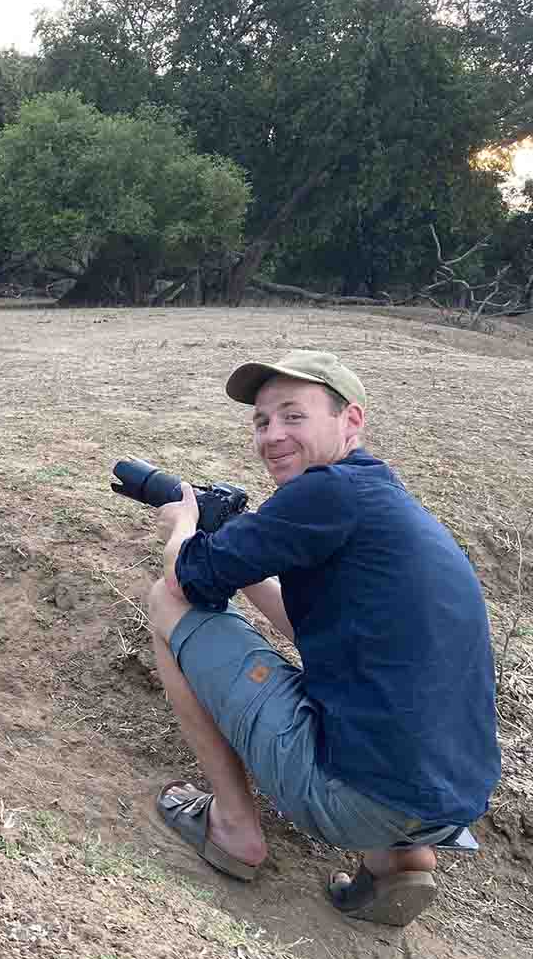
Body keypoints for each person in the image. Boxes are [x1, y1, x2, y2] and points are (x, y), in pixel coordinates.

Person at [145, 349, 501, 927]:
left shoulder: (325, 494)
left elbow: (185, 576)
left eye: (293, 416)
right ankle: (401, 860)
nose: (272, 436)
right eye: (261, 422)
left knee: (166, 603)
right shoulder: (378, 499)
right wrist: (242, 549)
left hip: (356, 797)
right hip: (450, 799)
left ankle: (233, 829)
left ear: (350, 420)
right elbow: (315, 633)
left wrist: (183, 526)